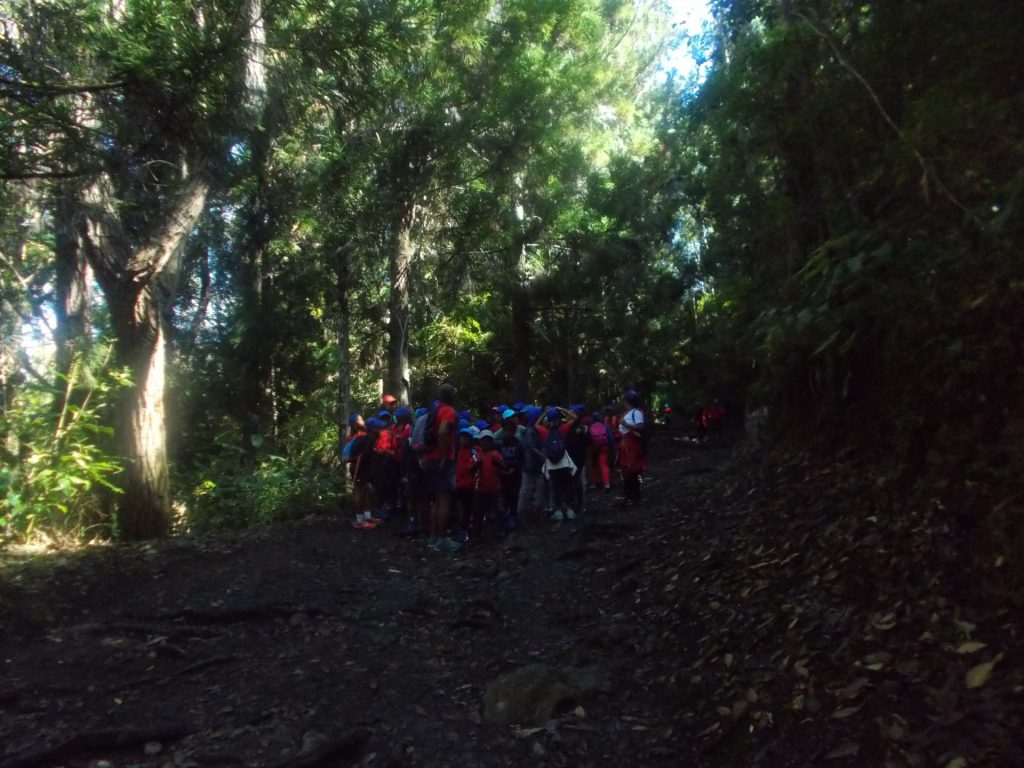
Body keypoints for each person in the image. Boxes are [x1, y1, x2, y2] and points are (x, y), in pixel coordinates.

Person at [420, 383, 460, 552]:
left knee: (436, 499)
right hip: (441, 459)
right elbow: (443, 431)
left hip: (429, 458)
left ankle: (433, 537)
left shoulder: (434, 410)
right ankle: (442, 539)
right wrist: (445, 456)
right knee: (445, 499)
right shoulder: (448, 411)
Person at [536, 406, 578, 521]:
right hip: (564, 463)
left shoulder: (545, 432)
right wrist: (563, 409)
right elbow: (574, 418)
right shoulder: (563, 430)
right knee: (567, 486)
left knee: (556, 487)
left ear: (548, 421)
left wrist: (544, 413)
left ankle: (558, 511)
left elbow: (536, 425)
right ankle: (569, 510)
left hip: (552, 465)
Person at [474, 430, 508, 538]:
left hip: (495, 487)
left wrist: (497, 462)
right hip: (481, 487)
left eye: (488, 441)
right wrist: (477, 463)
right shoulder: (478, 455)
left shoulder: (495, 454)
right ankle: (477, 532)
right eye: (483, 441)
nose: (485, 444)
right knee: (479, 511)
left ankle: (502, 529)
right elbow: (469, 469)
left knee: (499, 509)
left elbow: (504, 466)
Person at [517, 406, 547, 525]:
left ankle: (536, 510)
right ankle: (523, 511)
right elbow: (531, 447)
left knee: (538, 488)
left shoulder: (536, 429)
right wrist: (543, 456)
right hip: (531, 464)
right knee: (527, 489)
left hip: (535, 464)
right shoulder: (531, 431)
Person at [495, 409, 524, 527]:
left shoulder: (518, 443)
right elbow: (495, 458)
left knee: (514, 495)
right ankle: (503, 518)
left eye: (510, 430)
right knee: (503, 496)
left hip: (514, 474)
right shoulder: (499, 443)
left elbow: (521, 459)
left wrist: (514, 469)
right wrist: (500, 469)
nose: (507, 432)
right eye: (505, 430)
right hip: (501, 474)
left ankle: (512, 515)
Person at [618, 391, 647, 505]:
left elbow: (640, 427)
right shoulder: (627, 413)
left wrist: (626, 425)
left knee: (633, 469)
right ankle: (628, 495)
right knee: (626, 468)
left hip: (632, 444)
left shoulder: (636, 412)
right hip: (625, 444)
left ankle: (634, 495)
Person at [452, 427, 479, 543]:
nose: (463, 439)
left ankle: (465, 529)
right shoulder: (457, 450)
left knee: (467, 508)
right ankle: (453, 527)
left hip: (469, 484)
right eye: (462, 437)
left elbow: (476, 466)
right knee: (455, 506)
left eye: (466, 437)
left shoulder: (473, 452)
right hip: (457, 483)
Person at [566, 404, 590, 516]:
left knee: (578, 482)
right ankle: (572, 504)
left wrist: (582, 434)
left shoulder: (582, 427)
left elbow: (588, 442)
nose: (570, 415)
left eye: (573, 413)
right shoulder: (566, 427)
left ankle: (580, 505)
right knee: (570, 483)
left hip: (579, 459)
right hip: (568, 459)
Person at [587, 411, 613, 491]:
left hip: (594, 448)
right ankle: (607, 483)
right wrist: (612, 448)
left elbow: (588, 439)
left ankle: (593, 484)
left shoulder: (590, 428)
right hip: (604, 448)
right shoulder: (605, 427)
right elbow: (610, 438)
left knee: (593, 465)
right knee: (604, 465)